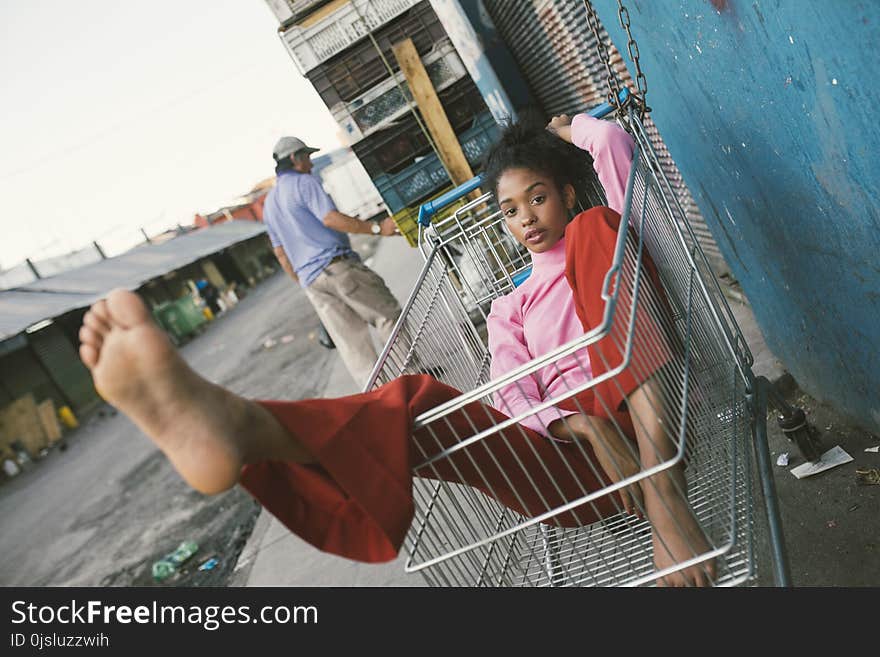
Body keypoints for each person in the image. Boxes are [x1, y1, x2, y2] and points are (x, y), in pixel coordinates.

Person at [77, 114, 712, 586]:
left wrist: (568, 128)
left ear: (567, 192)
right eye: (510, 209)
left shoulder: (595, 228)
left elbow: (613, 144)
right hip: (578, 470)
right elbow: (516, 392)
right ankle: (249, 428)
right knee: (414, 400)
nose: (527, 219)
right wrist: (580, 424)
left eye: (539, 197)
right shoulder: (507, 310)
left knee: (601, 232)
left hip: (653, 430)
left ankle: (667, 496)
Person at [264, 136, 402, 387]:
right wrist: (376, 228)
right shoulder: (305, 183)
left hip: (312, 282)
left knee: (353, 346)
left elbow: (281, 254)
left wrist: (305, 281)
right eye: (307, 157)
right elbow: (329, 219)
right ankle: (412, 377)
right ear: (295, 158)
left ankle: (381, 399)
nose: (311, 164)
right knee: (387, 315)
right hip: (337, 266)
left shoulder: (269, 204)